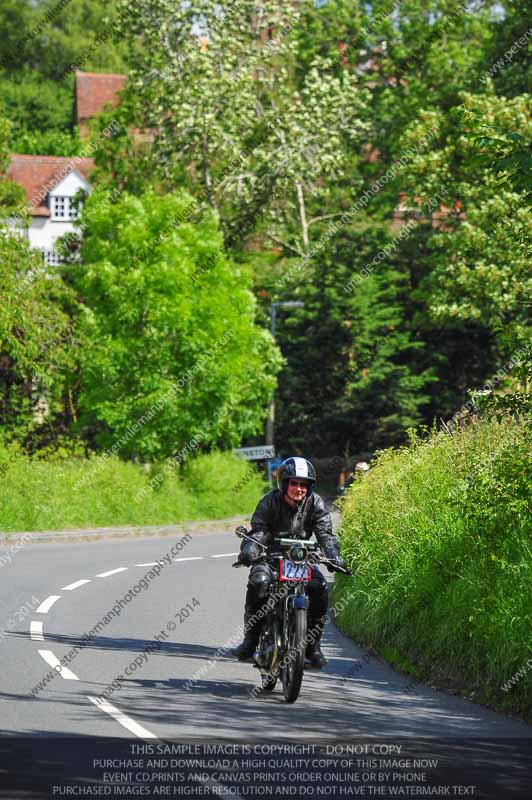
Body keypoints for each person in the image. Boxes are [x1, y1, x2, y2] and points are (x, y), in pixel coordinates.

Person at [232, 456, 346, 669]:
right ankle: (251, 640)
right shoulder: (269, 501)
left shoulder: (316, 503)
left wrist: (333, 555)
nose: (299, 489)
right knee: (259, 582)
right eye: (294, 483)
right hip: (271, 556)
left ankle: (313, 647)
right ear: (284, 483)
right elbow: (259, 530)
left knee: (319, 587)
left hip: (301, 558)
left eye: (303, 484)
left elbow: (325, 535)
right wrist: (250, 549)